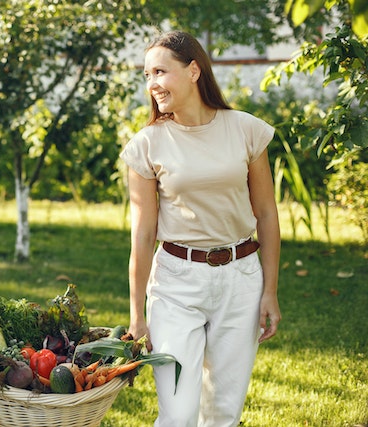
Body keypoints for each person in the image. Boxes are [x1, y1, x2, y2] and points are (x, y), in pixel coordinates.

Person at [120, 30, 282, 427]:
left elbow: (266, 212)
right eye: (146, 74)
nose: (152, 83)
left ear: (194, 70)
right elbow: (141, 234)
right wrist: (137, 313)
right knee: (177, 413)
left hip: (241, 278)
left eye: (160, 71)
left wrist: (270, 292)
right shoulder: (146, 145)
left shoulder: (246, 129)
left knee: (224, 412)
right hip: (176, 281)